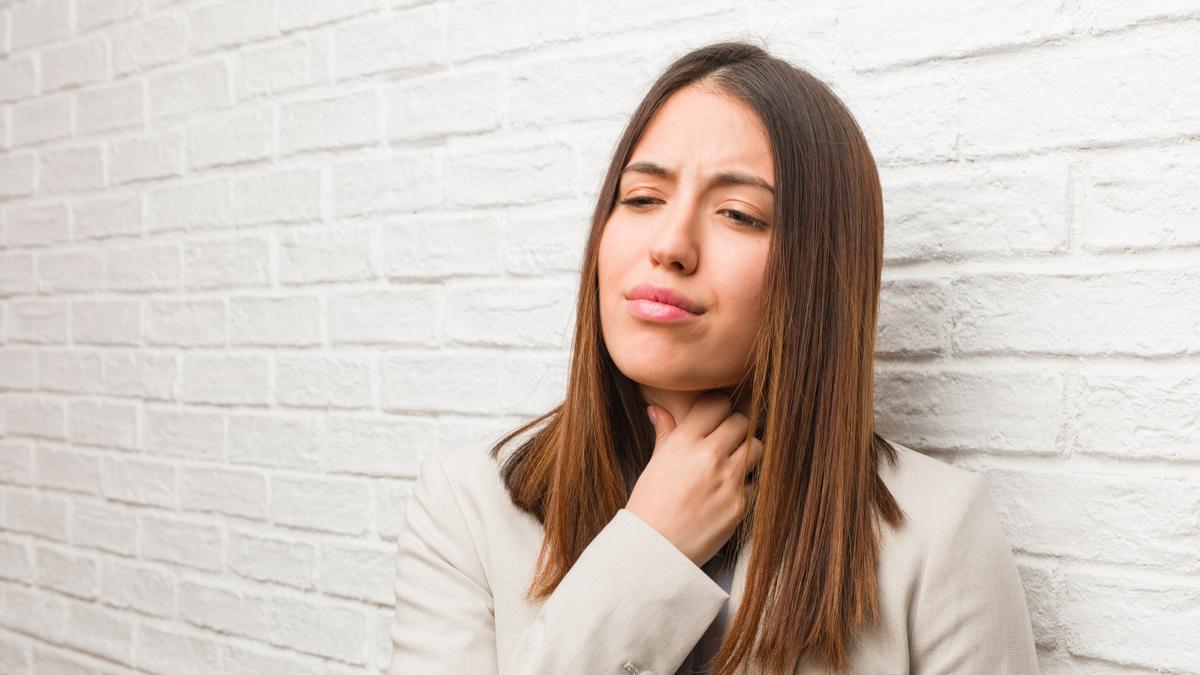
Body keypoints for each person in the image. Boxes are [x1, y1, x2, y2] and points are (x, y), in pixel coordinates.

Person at [388, 40, 1040, 674]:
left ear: (819, 269)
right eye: (641, 198)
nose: (671, 243)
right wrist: (649, 549)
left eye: (738, 213)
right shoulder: (466, 505)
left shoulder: (939, 527)